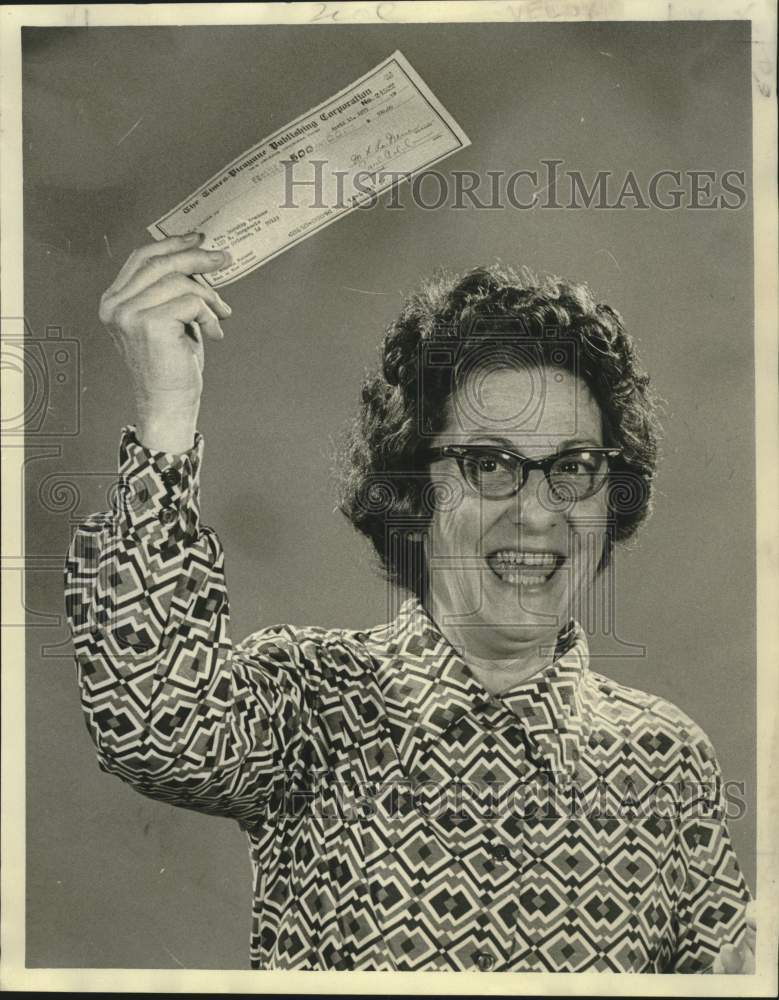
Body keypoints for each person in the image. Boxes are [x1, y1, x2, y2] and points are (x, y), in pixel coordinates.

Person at [65, 233, 755, 972]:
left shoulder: (666, 760)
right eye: (488, 465)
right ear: (413, 492)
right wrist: (167, 414)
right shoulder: (311, 699)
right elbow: (146, 721)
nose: (536, 512)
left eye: (574, 467)